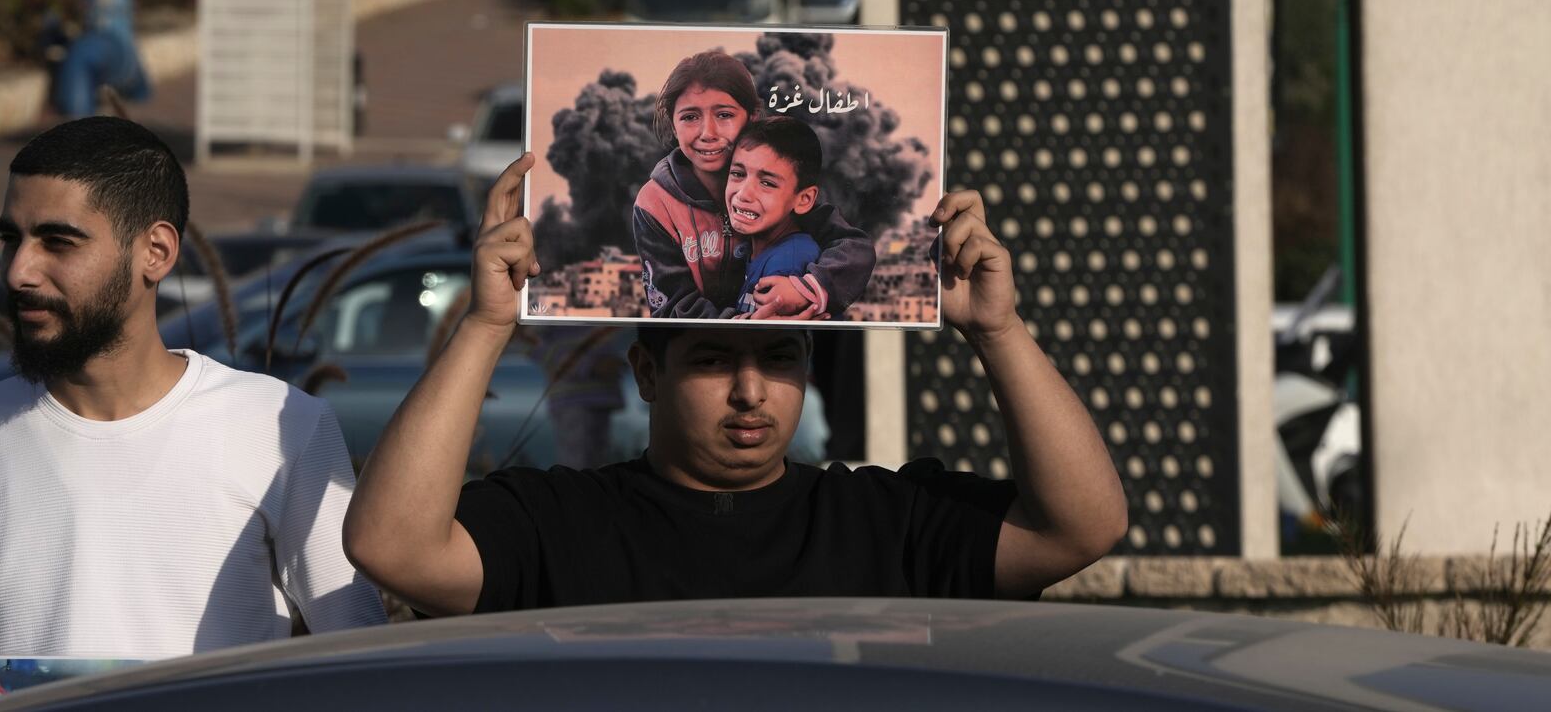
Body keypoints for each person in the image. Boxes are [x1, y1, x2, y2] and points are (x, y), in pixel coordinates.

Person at [344, 154, 1128, 617]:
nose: (752, 392)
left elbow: (1080, 528)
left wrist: (997, 331)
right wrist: (485, 324)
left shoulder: (882, 522)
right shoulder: (561, 523)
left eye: (781, 360)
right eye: (714, 361)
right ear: (648, 371)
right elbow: (393, 546)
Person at [0, 117, 386, 658]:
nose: (19, 271)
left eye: (57, 242)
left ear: (155, 252)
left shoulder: (281, 427)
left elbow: (362, 657)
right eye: (11, 240)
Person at [632, 49, 875, 320]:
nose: (708, 133)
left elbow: (854, 248)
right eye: (690, 117)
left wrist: (808, 290)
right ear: (673, 125)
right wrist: (747, 326)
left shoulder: (771, 183)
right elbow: (671, 305)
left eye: (724, 115)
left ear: (751, 118)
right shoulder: (655, 203)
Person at [723, 117, 826, 318]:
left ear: (804, 199)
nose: (744, 194)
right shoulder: (759, 248)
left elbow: (766, 342)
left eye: (767, 183)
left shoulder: (789, 261)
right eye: (737, 173)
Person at [50, 0, 152, 118]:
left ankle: (80, 124)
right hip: (121, 56)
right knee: (81, 54)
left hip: (117, 52)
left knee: (81, 54)